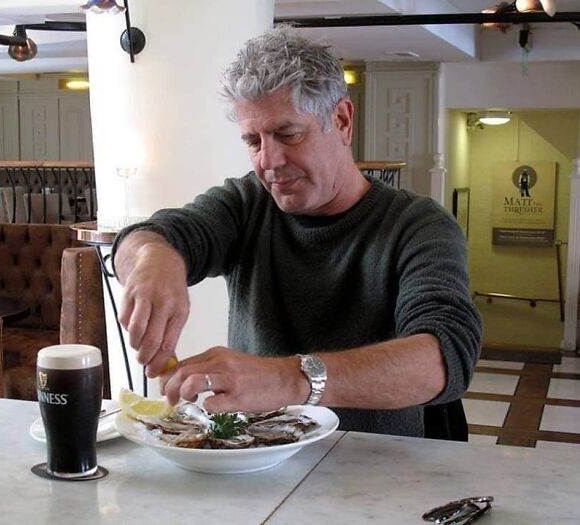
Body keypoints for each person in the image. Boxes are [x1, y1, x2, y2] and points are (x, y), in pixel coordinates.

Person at [112, 26, 482, 437]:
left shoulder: (418, 226)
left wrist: (289, 379)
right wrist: (152, 258)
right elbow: (151, 236)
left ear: (341, 121)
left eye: (288, 135)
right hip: (254, 467)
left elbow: (445, 357)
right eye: (253, 140)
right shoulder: (246, 203)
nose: (269, 160)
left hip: (376, 472)